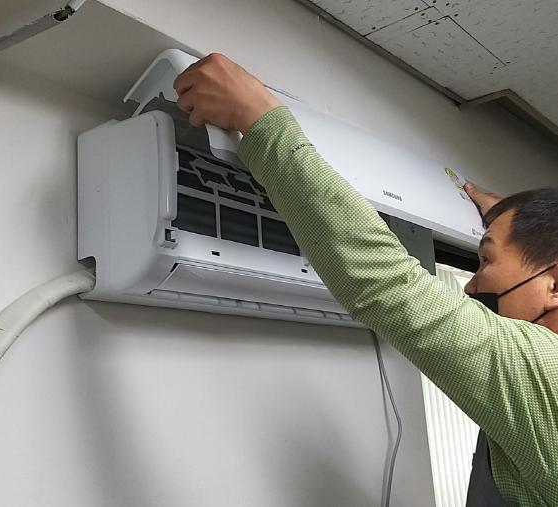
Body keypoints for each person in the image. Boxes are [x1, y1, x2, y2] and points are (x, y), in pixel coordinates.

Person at [173, 53, 558, 506]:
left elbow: (386, 281)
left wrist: (255, 116)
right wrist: (507, 221)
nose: (471, 286)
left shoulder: (546, 372)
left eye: (486, 260)